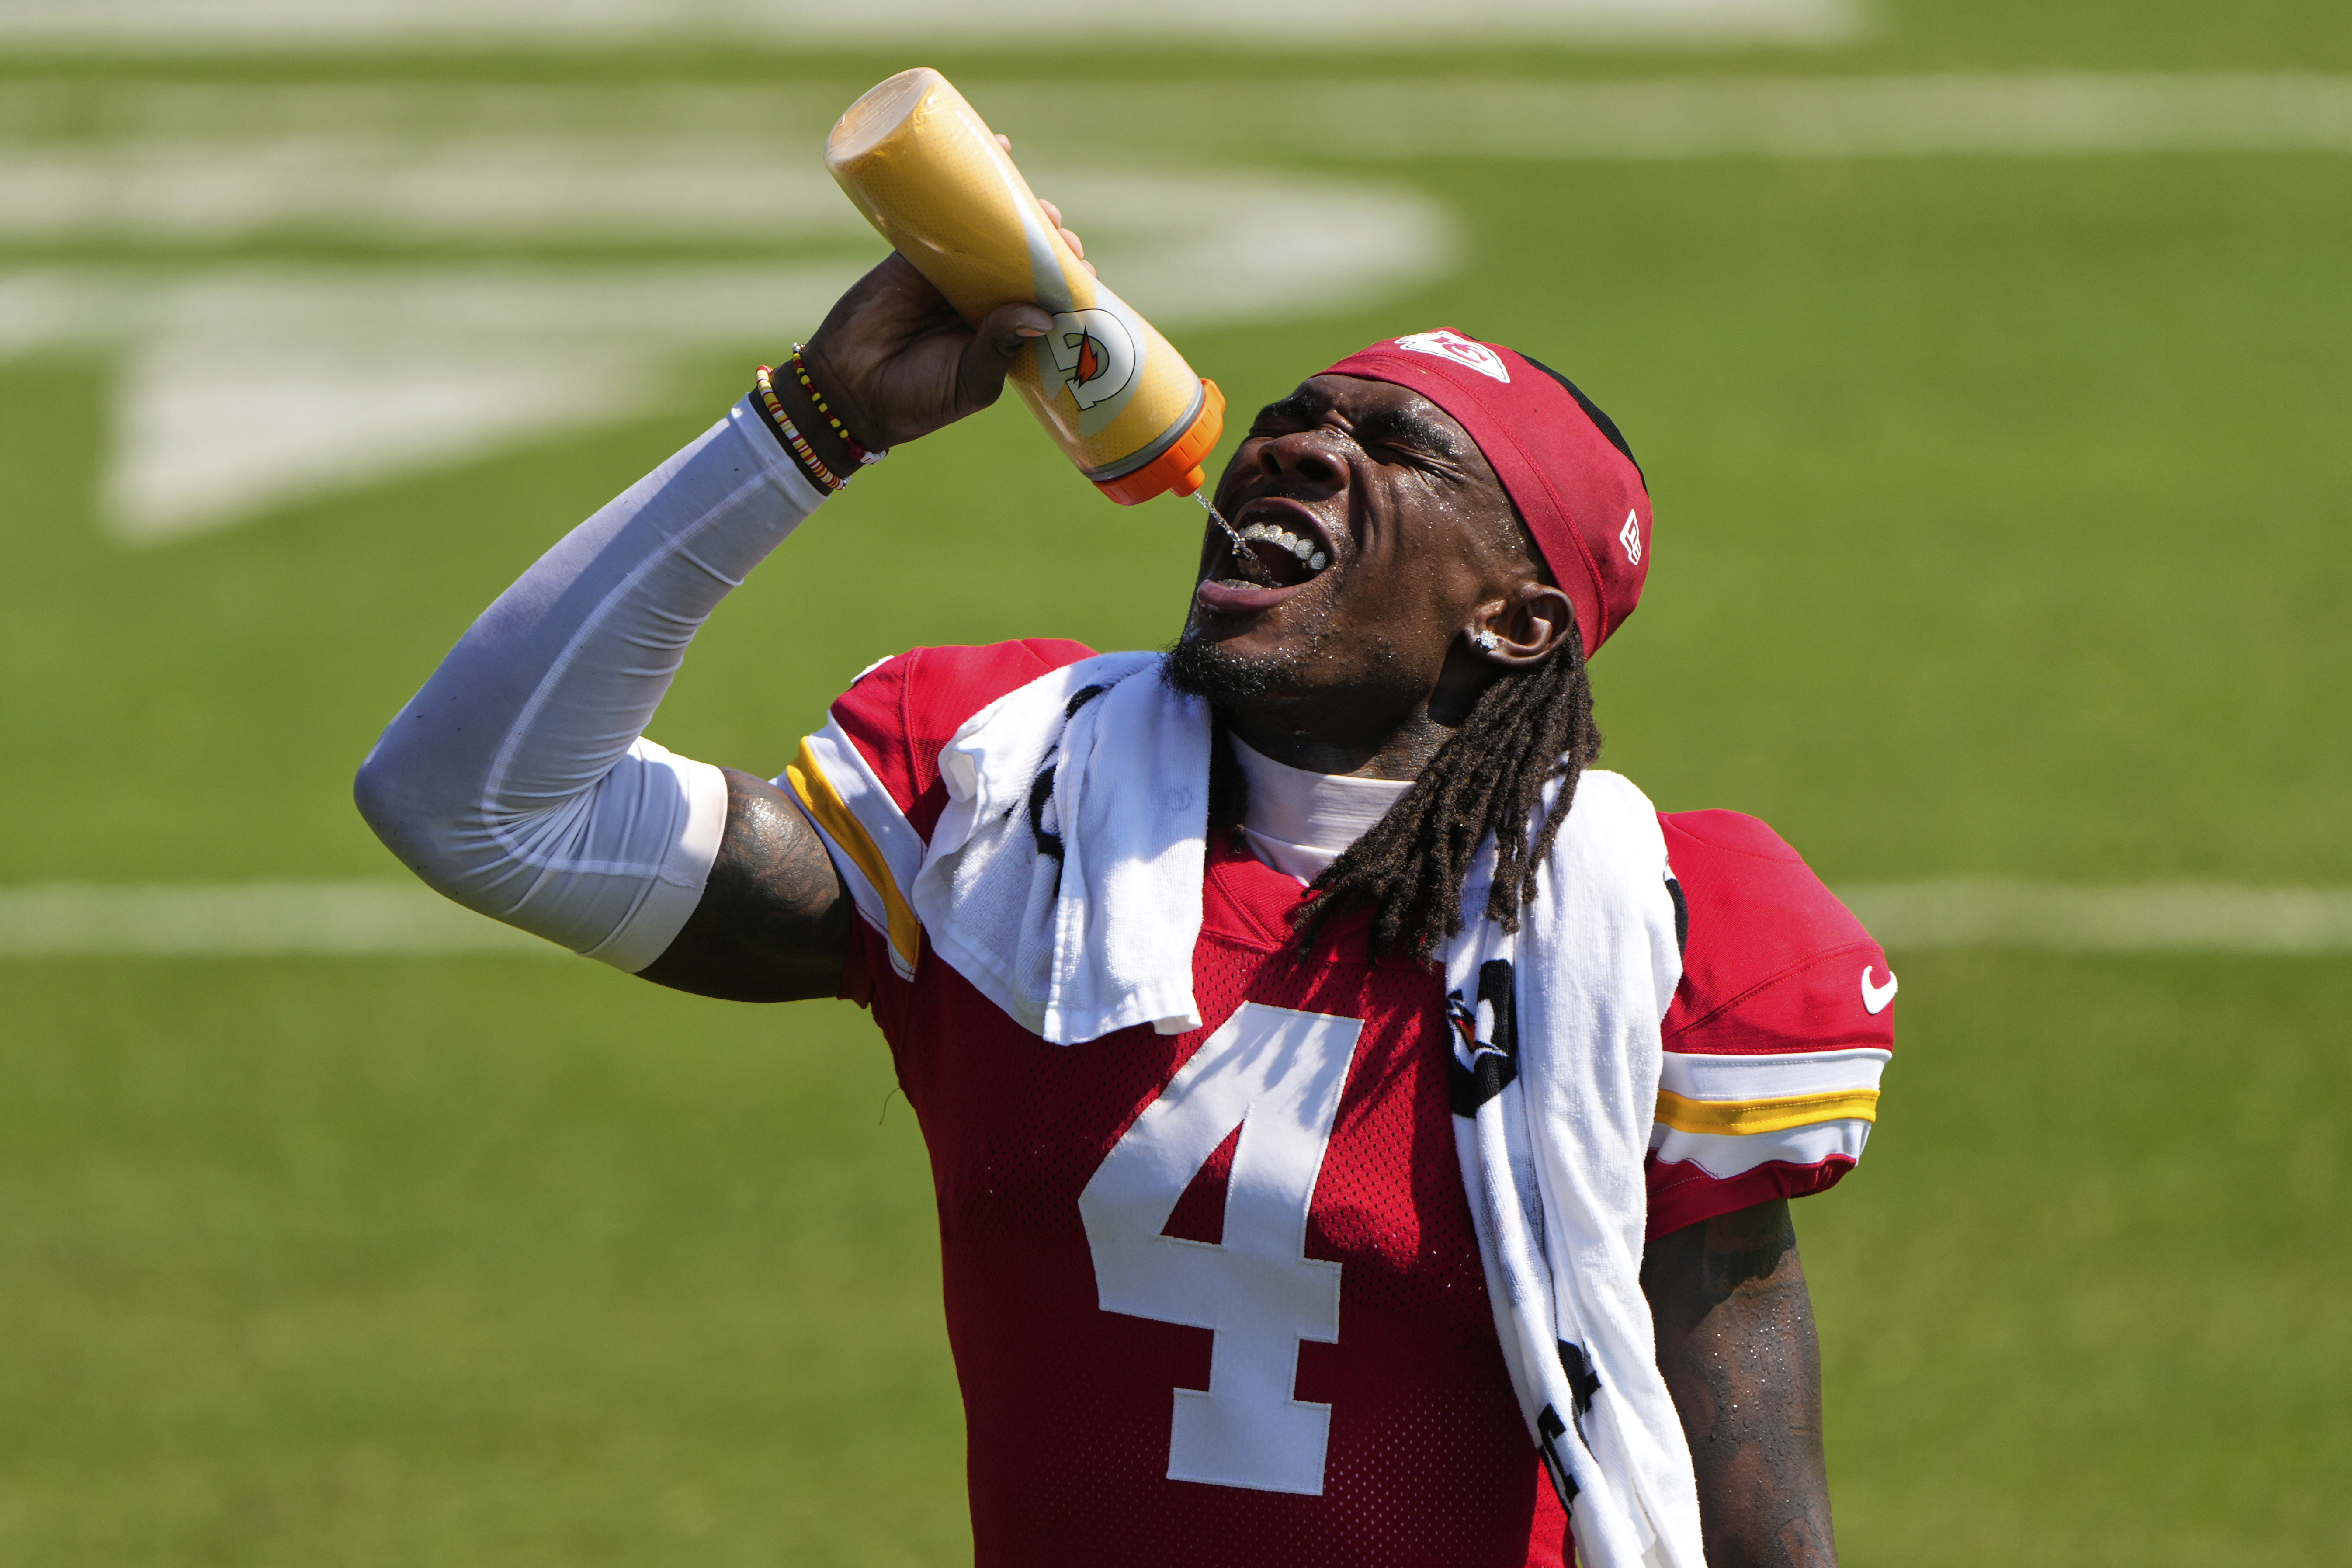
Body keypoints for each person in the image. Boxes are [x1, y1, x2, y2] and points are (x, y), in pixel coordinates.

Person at [355, 217, 1894, 1568]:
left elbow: (1763, 1514)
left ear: (1516, 619)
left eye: (1398, 447)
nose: (1299, 446)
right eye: (1294, 421)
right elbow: (473, 802)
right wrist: (808, 427)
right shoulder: (1009, 814)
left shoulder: (1657, 933)